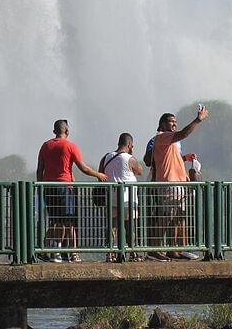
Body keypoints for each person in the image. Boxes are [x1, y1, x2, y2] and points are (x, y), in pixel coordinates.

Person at [36, 119, 107, 263]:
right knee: (67, 221)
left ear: (54, 131)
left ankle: (46, 248)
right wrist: (98, 175)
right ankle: (68, 252)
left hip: (48, 187)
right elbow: (83, 168)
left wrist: (40, 187)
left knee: (55, 221)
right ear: (67, 131)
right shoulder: (70, 146)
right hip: (65, 187)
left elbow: (39, 170)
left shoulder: (45, 146)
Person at [144, 107, 209, 261]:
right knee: (167, 216)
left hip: (179, 183)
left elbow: (172, 158)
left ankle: (175, 249)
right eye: (170, 122)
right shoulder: (162, 137)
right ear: (162, 125)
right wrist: (198, 120)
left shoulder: (172, 141)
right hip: (168, 182)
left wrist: (185, 159)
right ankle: (154, 249)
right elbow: (183, 133)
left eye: (175, 122)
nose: (174, 124)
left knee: (179, 217)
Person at [99, 133, 142, 262]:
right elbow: (140, 171)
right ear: (129, 145)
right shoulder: (130, 158)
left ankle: (110, 254)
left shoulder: (106, 157)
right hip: (128, 200)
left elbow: (100, 174)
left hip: (111, 198)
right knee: (130, 227)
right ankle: (132, 253)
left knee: (112, 227)